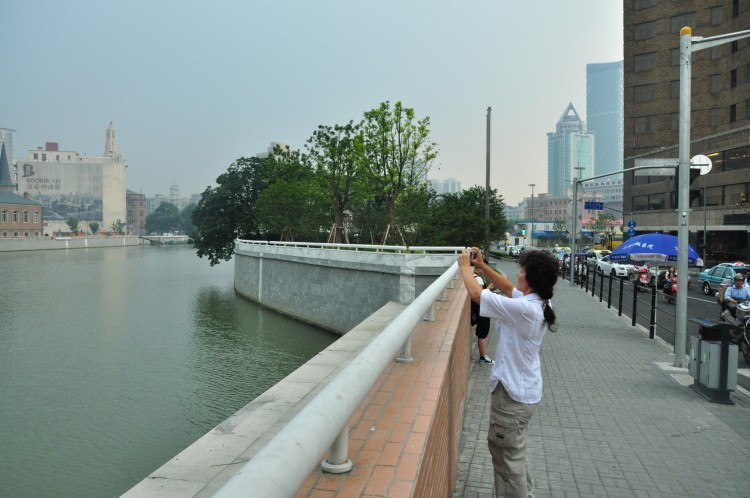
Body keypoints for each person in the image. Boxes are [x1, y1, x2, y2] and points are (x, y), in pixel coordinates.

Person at [458, 246, 559, 498]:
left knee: (506, 461)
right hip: (523, 393)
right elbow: (506, 289)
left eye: (521, 271)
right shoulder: (539, 302)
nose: (518, 275)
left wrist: (463, 267)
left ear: (531, 279)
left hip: (512, 397)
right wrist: (481, 267)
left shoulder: (525, 310)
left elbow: (477, 295)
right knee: (514, 454)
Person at [471, 258, 494, 364]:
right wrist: (490, 287)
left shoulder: (474, 277)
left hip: (480, 309)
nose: (484, 270)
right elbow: (480, 295)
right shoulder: (478, 279)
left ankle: (483, 356)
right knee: (483, 333)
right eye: (483, 267)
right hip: (482, 309)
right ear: (477, 267)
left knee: (482, 333)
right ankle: (482, 357)